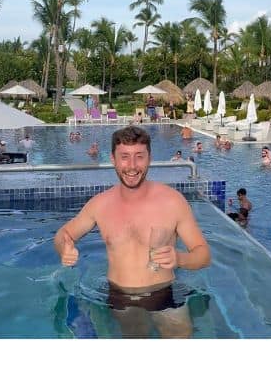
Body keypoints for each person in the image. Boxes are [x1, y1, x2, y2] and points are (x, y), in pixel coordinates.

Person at [54, 126, 212, 339]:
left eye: (139, 157)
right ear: (113, 159)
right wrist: (64, 248)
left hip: (164, 292)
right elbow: (65, 233)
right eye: (124, 157)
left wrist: (179, 258)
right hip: (119, 296)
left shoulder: (173, 201)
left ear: (149, 158)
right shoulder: (100, 205)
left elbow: (203, 254)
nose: (132, 166)